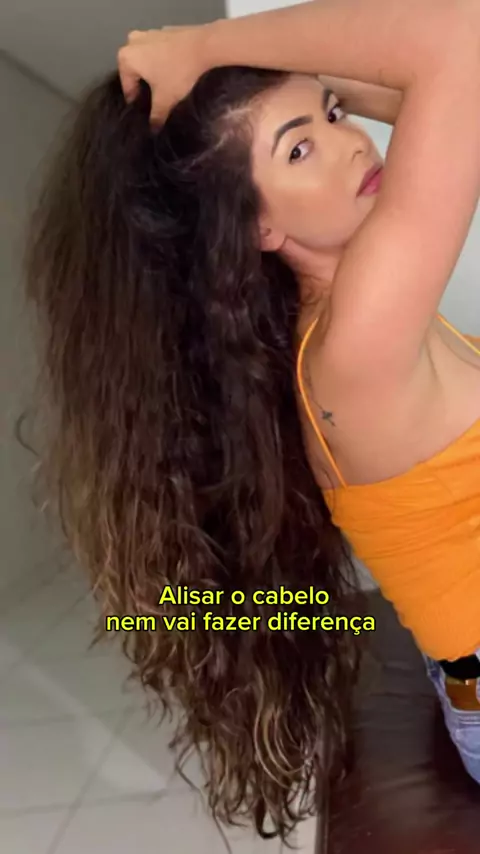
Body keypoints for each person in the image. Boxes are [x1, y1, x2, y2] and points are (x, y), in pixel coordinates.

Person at [23, 0, 480, 842]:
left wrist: (283, 85)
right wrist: (205, 46)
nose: (350, 143)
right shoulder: (356, 347)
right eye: (298, 149)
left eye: (335, 115)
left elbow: (444, 92)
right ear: (257, 224)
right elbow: (462, 44)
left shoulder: (360, 315)